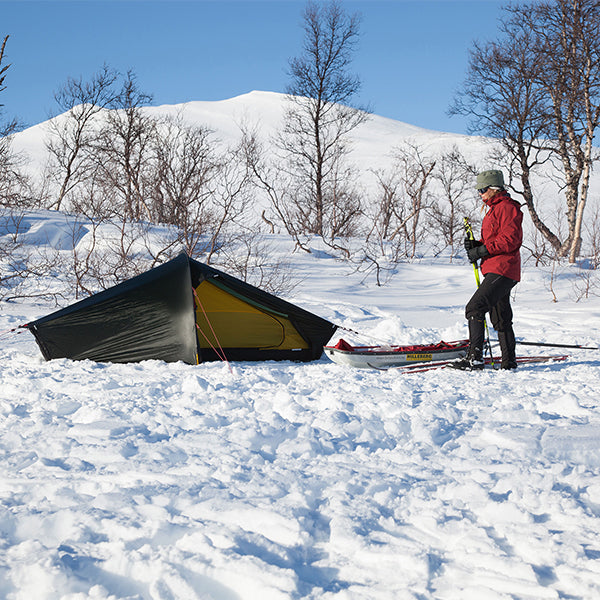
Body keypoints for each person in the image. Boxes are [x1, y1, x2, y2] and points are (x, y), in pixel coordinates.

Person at [449, 169, 523, 371]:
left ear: (493, 189)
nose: (480, 194)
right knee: (500, 317)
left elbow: (510, 239)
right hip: (496, 268)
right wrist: (477, 245)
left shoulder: (507, 207)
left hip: (503, 268)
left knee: (475, 307)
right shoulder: (494, 209)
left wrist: (483, 249)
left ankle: (475, 359)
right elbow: (495, 239)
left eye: (482, 189)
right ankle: (509, 362)